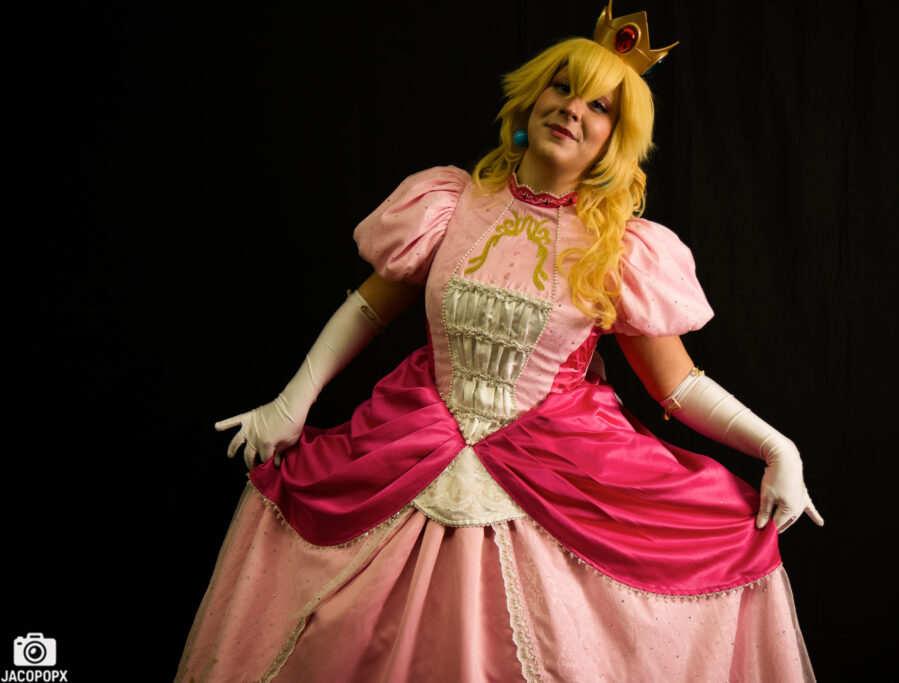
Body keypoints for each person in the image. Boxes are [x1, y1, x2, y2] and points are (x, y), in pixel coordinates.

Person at [176, 3, 823, 681]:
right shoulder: (449, 204)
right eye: (562, 87)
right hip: (412, 449)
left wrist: (776, 446)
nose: (572, 109)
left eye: (598, 107)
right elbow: (367, 308)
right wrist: (293, 402)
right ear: (533, 97)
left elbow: (677, 385)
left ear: (614, 139)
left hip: (556, 471)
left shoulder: (619, 251)